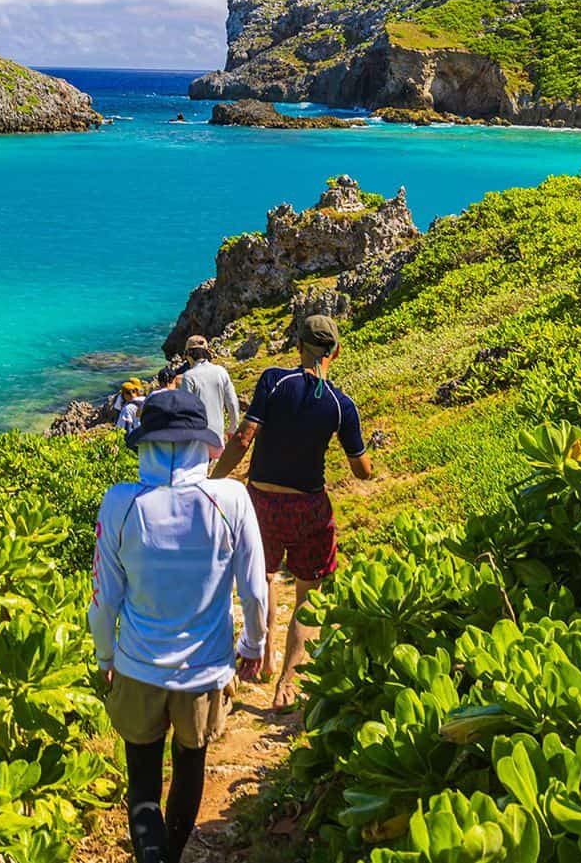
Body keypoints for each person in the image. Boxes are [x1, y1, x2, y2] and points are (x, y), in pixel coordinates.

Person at [90, 389, 269, 863]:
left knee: (142, 776)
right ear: (202, 445)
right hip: (204, 670)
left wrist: (105, 656)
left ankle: (151, 856)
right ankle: (169, 856)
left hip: (137, 665)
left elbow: (104, 599)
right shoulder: (231, 498)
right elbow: (254, 589)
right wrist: (254, 643)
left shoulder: (120, 503)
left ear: (145, 444)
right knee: (191, 766)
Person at [210, 314, 372, 710]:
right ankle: (287, 683)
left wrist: (214, 480)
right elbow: (361, 470)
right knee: (307, 591)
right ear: (335, 351)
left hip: (261, 500)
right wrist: (369, 460)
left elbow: (244, 437)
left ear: (298, 347)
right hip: (309, 505)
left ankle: (261, 655)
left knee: (261, 575)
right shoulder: (340, 405)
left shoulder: (273, 380)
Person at [178, 335, 242, 445]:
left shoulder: (188, 376)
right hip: (218, 437)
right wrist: (233, 428)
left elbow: (185, 410)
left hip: (197, 439)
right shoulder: (221, 372)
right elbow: (232, 402)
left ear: (189, 354)